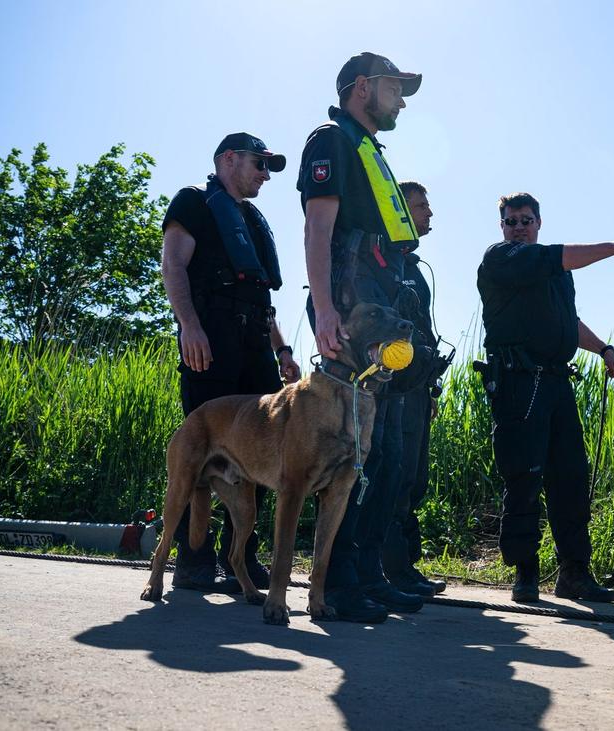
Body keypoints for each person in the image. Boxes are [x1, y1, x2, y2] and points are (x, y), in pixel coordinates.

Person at [476, 192, 614, 603]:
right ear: (502, 227)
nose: (519, 227)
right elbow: (556, 257)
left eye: (527, 220)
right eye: (512, 221)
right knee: (523, 476)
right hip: (519, 383)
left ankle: (575, 574)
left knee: (571, 479)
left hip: (557, 384)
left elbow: (568, 321)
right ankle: (525, 574)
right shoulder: (501, 259)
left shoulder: (558, 273)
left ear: (539, 223)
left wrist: (603, 349)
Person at [297, 52, 426, 623]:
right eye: (395, 88)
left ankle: (368, 573)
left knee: (389, 456)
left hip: (384, 317)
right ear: (363, 88)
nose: (401, 99)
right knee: (355, 455)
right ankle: (337, 583)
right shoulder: (331, 140)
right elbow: (318, 228)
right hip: (352, 319)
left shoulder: (371, 149)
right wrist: (325, 311)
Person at [160, 132, 301, 593]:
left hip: (255, 347)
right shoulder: (194, 203)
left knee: (259, 452)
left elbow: (263, 299)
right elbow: (174, 265)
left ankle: (237, 554)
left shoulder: (253, 220)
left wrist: (282, 351)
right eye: (258, 164)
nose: (264, 174)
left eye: (267, 167)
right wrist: (190, 326)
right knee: (201, 456)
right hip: (211, 341)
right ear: (228, 160)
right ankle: (193, 561)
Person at [380, 180, 449, 597]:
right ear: (399, 211)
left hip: (418, 387)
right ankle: (393, 571)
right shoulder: (385, 262)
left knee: (415, 477)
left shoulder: (413, 266)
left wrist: (431, 386)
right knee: (398, 475)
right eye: (420, 206)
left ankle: (405, 565)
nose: (428, 214)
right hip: (394, 388)